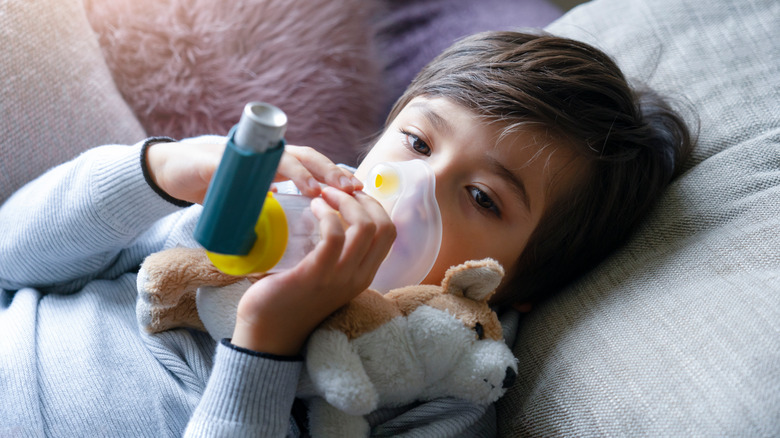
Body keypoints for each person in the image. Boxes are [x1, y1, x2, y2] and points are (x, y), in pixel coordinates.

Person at [0, 31, 691, 437]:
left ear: (522, 284)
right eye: (417, 142)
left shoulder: (441, 387)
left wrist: (264, 349)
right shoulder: (263, 205)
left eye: (481, 197)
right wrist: (160, 171)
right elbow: (11, 260)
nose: (410, 189)